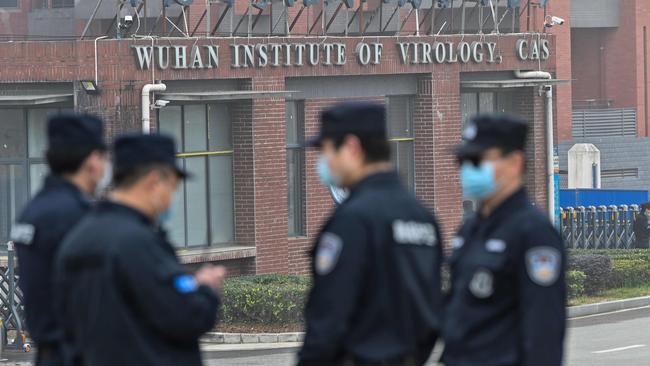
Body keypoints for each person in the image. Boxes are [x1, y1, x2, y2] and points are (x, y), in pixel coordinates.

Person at [55, 134, 225, 366]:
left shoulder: (77, 237)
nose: (170, 199)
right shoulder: (138, 243)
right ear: (154, 181)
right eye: (172, 187)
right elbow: (186, 316)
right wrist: (206, 289)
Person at [297, 102, 443, 366]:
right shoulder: (421, 216)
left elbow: (329, 317)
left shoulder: (353, 220)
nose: (323, 161)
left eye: (326, 150)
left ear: (352, 147)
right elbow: (430, 310)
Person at [442, 114, 566, 366]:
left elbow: (544, 329)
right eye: (463, 161)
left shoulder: (533, 233)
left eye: (478, 161)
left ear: (515, 163)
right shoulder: (471, 229)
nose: (467, 169)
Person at [10, 113, 108, 366]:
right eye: (103, 157)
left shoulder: (33, 210)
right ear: (92, 161)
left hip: (49, 354)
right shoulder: (78, 215)